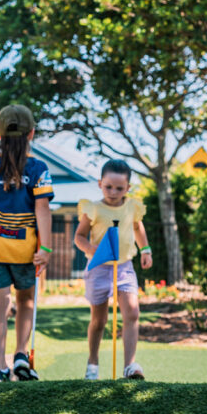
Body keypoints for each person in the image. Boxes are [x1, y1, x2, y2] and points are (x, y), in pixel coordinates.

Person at [0, 104, 53, 383]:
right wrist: (46, 249)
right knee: (25, 301)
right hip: (25, 248)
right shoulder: (39, 169)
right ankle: (21, 354)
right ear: (31, 134)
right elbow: (42, 210)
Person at [74, 159, 153, 380]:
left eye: (119, 188)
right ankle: (93, 363)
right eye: (109, 186)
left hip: (125, 267)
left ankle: (129, 366)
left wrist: (145, 249)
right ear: (100, 183)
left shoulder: (132, 207)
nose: (113, 192)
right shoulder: (94, 209)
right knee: (99, 321)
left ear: (128, 188)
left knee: (132, 312)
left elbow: (138, 228)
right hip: (99, 268)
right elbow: (78, 237)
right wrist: (90, 249)